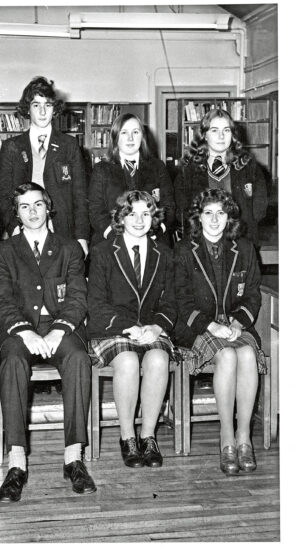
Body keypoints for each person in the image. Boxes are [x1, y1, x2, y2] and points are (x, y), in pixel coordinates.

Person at [0, 182, 95, 502]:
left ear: (49, 208)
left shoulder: (69, 248)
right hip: (19, 332)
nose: (32, 212)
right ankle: (17, 462)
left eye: (38, 205)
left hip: (58, 328)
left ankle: (73, 458)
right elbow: (2, 299)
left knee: (79, 359)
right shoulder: (4, 250)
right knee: (12, 362)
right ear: (17, 213)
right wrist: (25, 332)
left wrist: (58, 330)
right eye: (24, 206)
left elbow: (78, 298)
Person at [173, 188, 266, 475]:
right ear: (198, 218)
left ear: (229, 218)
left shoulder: (245, 248)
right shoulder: (184, 250)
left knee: (248, 354)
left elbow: (252, 295)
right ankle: (226, 438)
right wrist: (211, 325)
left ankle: (243, 438)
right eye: (208, 213)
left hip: (235, 324)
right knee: (226, 356)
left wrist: (237, 323)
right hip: (197, 325)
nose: (214, 220)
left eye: (221, 213)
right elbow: (181, 299)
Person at [87, 190, 177, 469]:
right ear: (120, 218)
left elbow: (171, 301)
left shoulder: (164, 253)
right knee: (126, 361)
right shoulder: (103, 252)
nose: (139, 220)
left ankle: (148, 436)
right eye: (132, 213)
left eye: (146, 214)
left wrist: (157, 326)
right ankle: (127, 437)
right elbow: (96, 303)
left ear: (154, 217)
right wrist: (129, 327)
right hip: (112, 329)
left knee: (159, 358)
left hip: (151, 329)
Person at [0, 76, 89, 256]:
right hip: (23, 229)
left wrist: (82, 237)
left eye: (47, 105)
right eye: (36, 105)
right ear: (27, 109)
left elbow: (80, 196)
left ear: (54, 110)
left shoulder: (69, 145)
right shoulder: (12, 147)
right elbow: (4, 194)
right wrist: (14, 227)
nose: (42, 111)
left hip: (61, 230)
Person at [174, 108, 268, 245]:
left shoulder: (249, 166)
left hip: (241, 242)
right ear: (204, 135)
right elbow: (182, 211)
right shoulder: (189, 170)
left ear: (233, 135)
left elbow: (259, 209)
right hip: (202, 244)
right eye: (214, 130)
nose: (221, 136)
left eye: (226, 130)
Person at [89, 113, 175, 247]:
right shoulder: (101, 170)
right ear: (115, 137)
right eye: (124, 132)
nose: (130, 138)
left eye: (135, 132)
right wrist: (119, 237)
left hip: (153, 241)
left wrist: (155, 232)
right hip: (112, 243)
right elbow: (96, 211)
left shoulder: (158, 167)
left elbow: (169, 207)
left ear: (142, 136)